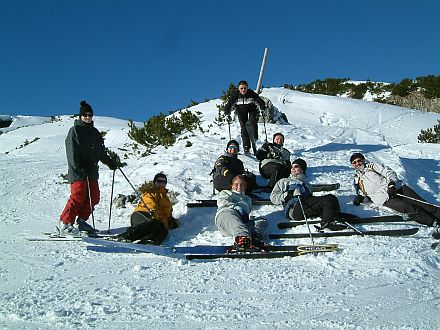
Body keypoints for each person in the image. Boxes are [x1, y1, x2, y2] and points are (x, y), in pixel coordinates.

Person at [60, 101, 117, 236]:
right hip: (78, 172)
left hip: (91, 172)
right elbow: (71, 150)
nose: (87, 117)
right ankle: (65, 223)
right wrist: (79, 166)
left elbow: (101, 152)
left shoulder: (95, 133)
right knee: (78, 197)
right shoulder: (75, 131)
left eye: (90, 115)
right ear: (80, 116)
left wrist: (110, 162)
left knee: (94, 197)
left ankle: (81, 221)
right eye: (84, 115)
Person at [350, 152, 440, 227]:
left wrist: (392, 184)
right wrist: (360, 197)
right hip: (385, 199)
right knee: (409, 208)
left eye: (359, 160)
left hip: (397, 188)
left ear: (363, 160)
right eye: (354, 162)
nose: (357, 163)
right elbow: (363, 193)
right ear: (352, 165)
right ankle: (433, 222)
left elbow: (389, 172)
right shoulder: (356, 179)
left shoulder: (372, 166)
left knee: (421, 203)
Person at [270, 158, 341, 228]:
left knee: (332, 198)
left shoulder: (307, 185)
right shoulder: (284, 181)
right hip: (294, 208)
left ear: (302, 169)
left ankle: (334, 216)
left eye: (296, 166)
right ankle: (327, 222)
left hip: (305, 207)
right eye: (292, 167)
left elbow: (313, 201)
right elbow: (273, 198)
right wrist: (289, 194)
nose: (293, 168)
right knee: (327, 199)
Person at [118, 173, 179, 245]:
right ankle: (125, 236)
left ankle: (149, 241)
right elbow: (149, 202)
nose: (161, 183)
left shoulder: (165, 198)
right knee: (156, 223)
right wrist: (153, 211)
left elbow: (166, 213)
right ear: (154, 182)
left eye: (164, 182)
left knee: (163, 230)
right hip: (142, 214)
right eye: (159, 181)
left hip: (154, 219)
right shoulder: (150, 192)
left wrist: (171, 220)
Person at [215, 175, 268, 250]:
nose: (239, 186)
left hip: (240, 222)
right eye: (236, 184)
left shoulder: (247, 199)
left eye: (242, 184)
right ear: (232, 186)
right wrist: (235, 207)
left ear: (245, 186)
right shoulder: (226, 193)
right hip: (226, 215)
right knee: (234, 220)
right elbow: (222, 202)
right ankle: (242, 239)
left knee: (262, 222)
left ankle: (254, 238)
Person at [223, 80, 266, 154]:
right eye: (241, 88)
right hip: (241, 111)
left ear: (247, 88)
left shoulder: (251, 93)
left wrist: (262, 108)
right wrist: (227, 114)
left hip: (251, 109)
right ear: (238, 88)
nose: (243, 90)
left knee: (253, 122)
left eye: (245, 88)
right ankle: (246, 146)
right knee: (243, 127)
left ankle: (254, 138)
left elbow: (259, 101)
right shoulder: (235, 95)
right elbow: (229, 105)